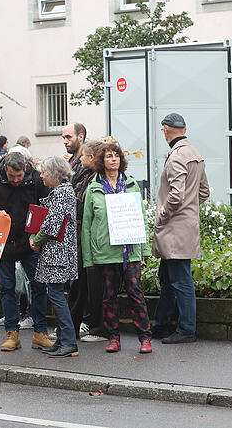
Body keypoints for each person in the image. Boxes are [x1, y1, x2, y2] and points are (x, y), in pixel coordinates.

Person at [82, 140, 153, 354]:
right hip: (105, 252)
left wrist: (146, 249)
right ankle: (113, 338)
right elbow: (86, 225)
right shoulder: (93, 189)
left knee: (136, 294)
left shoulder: (131, 185)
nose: (113, 159)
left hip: (129, 251)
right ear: (102, 161)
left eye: (116, 156)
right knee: (109, 297)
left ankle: (145, 338)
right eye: (109, 156)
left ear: (121, 160)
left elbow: (141, 218)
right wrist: (89, 258)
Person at [0, 151, 50, 351]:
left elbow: (46, 207)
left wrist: (38, 236)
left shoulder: (35, 179)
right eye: (11, 176)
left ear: (25, 168)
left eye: (19, 176)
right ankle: (12, 332)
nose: (16, 180)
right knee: (7, 287)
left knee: (39, 285)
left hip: (30, 241)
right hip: (4, 242)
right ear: (5, 170)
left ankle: (40, 332)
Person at [153, 113, 209, 345]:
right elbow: (204, 192)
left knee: (180, 280)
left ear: (165, 130)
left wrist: (163, 215)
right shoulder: (195, 154)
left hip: (173, 227)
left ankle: (186, 329)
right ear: (184, 128)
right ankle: (160, 325)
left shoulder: (176, 156)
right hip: (185, 226)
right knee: (168, 277)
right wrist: (189, 209)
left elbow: (176, 195)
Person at [29, 156, 79, 358]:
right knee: (56, 294)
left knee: (56, 295)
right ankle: (62, 340)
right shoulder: (64, 191)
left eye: (43, 172)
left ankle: (68, 342)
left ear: (54, 174)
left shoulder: (61, 193)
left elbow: (51, 225)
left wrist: (35, 240)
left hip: (57, 253)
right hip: (60, 252)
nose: (41, 175)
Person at [71, 140, 108, 343]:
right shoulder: (85, 176)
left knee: (95, 285)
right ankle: (72, 327)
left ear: (92, 158)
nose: (81, 158)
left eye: (84, 155)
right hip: (82, 235)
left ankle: (99, 328)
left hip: (93, 239)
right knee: (79, 283)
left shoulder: (98, 180)